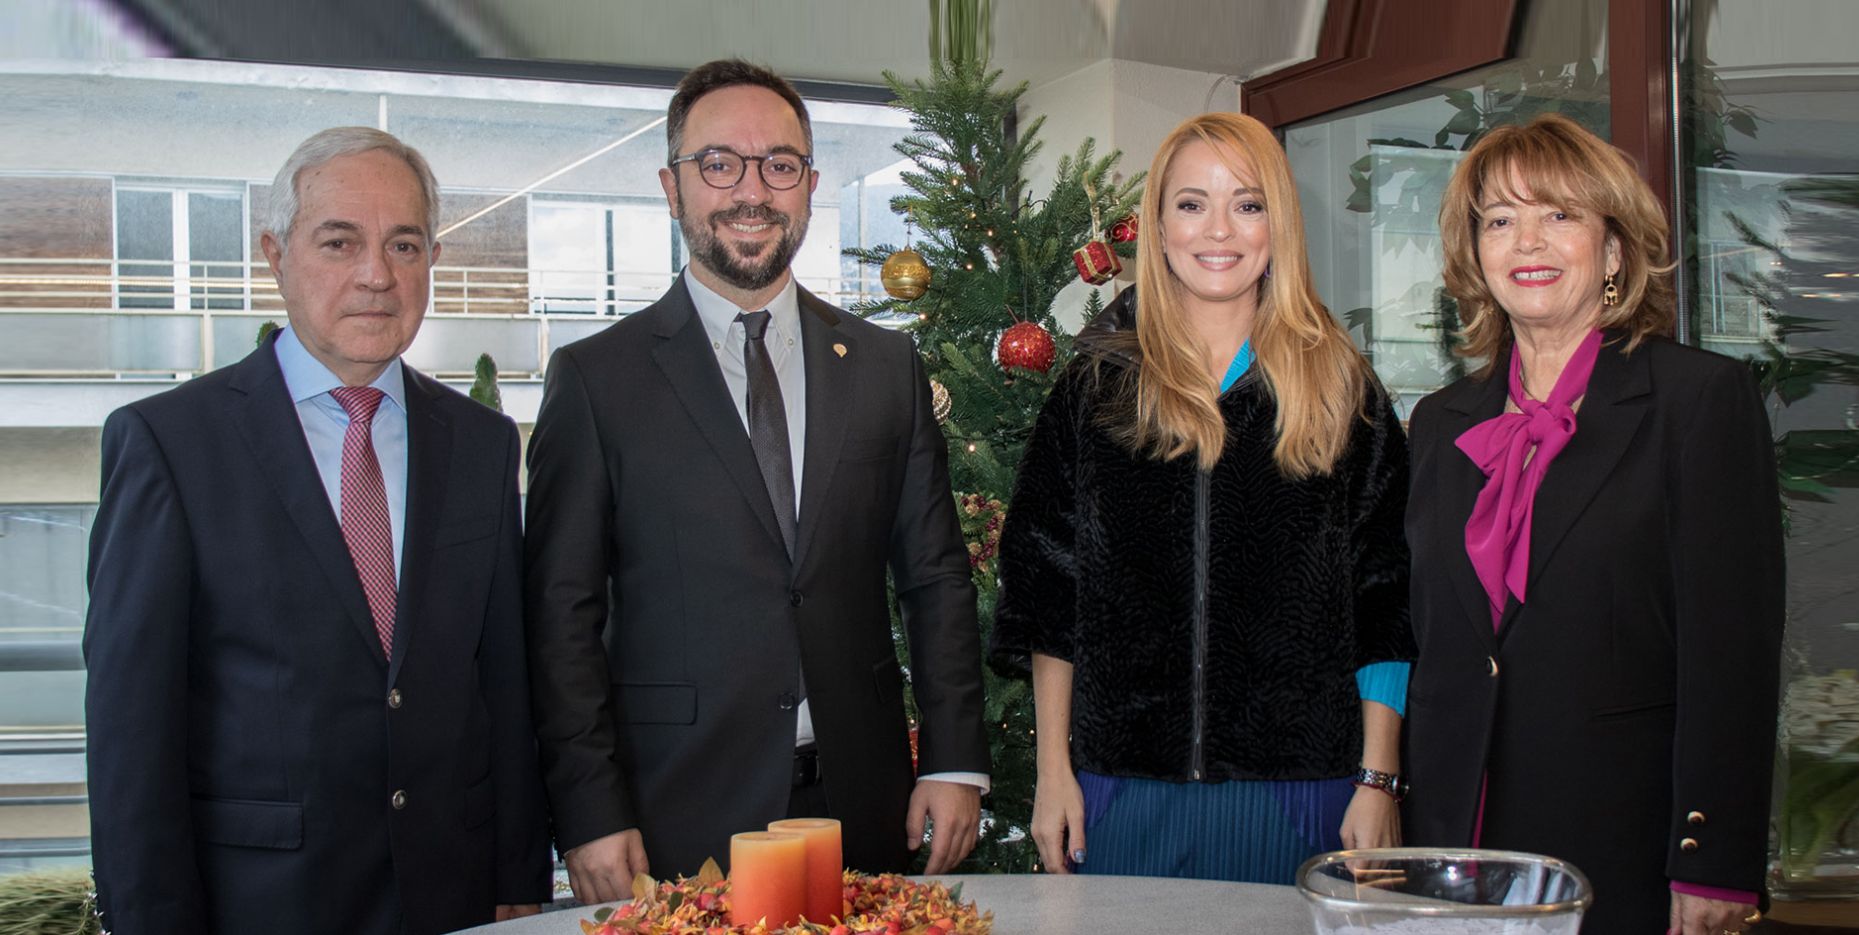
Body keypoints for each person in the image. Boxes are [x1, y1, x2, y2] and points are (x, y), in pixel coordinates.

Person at [525, 59, 989, 901]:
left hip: (864, 802)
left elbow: (935, 577)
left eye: (779, 164)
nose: (752, 190)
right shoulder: (597, 380)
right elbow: (563, 618)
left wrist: (954, 759)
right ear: (671, 186)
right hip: (676, 811)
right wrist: (588, 809)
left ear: (809, 185)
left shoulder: (884, 366)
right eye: (719, 164)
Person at [83, 127, 550, 935]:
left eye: (403, 244)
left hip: (454, 895)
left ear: (432, 260)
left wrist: (517, 868)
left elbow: (502, 677)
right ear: (275, 254)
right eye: (340, 242)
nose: (376, 274)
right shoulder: (170, 445)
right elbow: (132, 732)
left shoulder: (481, 443)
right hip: (259, 902)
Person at [990, 112, 1414, 884]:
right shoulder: (1093, 387)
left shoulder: (1343, 388)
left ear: (1279, 225)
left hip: (1303, 790)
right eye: (1192, 203)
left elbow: (1384, 594)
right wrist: (1053, 770)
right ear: (1157, 226)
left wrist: (1378, 779)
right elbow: (1050, 592)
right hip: (1121, 786)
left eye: (1248, 204)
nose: (1219, 229)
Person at [1402, 114, 1783, 935]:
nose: (1526, 241)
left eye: (1559, 214)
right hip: (1453, 837)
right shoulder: (1438, 421)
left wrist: (1712, 856)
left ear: (1613, 250)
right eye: (1499, 220)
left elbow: (1731, 654)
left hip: (1620, 843)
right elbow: (1431, 640)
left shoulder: (1698, 401)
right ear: (1475, 252)